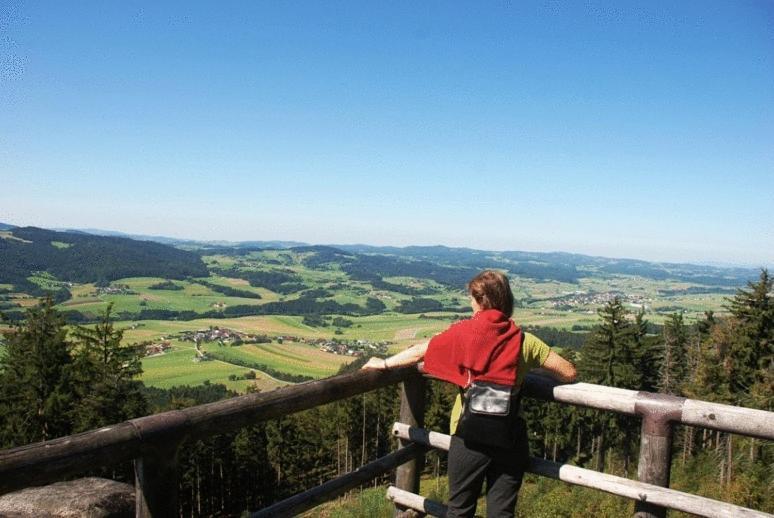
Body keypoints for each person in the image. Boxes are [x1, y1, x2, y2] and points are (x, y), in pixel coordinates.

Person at [362, 270, 577, 518]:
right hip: (509, 439)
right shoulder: (524, 342)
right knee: (501, 514)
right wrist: (527, 366)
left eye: (471, 298)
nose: (469, 303)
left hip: (468, 438)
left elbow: (422, 351)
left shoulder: (463, 334)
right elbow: (568, 372)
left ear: (480, 300)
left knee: (459, 512)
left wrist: (385, 364)